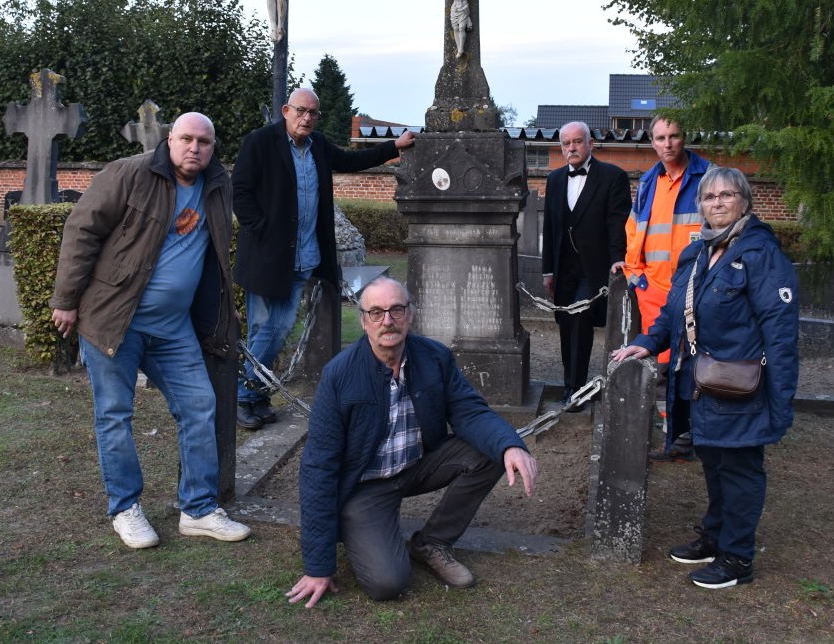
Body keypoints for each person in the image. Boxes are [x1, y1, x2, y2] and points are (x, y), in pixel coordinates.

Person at [50, 112, 251, 549]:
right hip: (114, 320)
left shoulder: (217, 185)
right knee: (115, 415)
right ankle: (126, 508)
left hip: (173, 329)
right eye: (186, 139)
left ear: (213, 146)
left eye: (204, 141)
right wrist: (65, 301)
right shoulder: (129, 173)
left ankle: (197, 509)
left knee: (200, 406)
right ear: (170, 139)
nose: (194, 147)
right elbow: (81, 230)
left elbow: (215, 254)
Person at [286, 277, 538, 607]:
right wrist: (318, 566)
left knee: (491, 451)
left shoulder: (434, 357)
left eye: (396, 309)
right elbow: (318, 466)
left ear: (411, 314)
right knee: (387, 583)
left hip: (418, 464)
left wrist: (511, 445)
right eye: (376, 312)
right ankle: (359, 527)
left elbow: (468, 410)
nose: (387, 321)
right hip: (366, 485)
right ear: (363, 321)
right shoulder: (339, 375)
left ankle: (432, 543)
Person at [611, 167, 798, 589]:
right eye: (709, 196)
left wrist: (780, 402)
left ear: (745, 201)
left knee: (740, 471)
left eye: (726, 195)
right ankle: (715, 537)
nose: (716, 203)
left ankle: (737, 559)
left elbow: (781, 334)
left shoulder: (760, 254)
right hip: (701, 385)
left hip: (743, 388)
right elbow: (672, 314)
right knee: (713, 464)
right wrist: (646, 341)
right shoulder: (695, 254)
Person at [232, 88, 415, 430]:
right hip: (267, 258)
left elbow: (351, 160)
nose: (307, 118)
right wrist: (261, 229)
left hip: (303, 256)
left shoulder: (317, 147)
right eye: (301, 111)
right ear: (286, 110)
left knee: (275, 328)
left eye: (313, 113)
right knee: (267, 328)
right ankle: (246, 396)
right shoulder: (260, 142)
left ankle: (252, 395)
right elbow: (239, 190)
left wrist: (393, 147)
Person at [618, 113, 711, 461]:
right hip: (654, 291)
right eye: (660, 138)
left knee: (694, 367)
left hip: (696, 290)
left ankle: (694, 436)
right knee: (660, 369)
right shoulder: (647, 182)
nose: (667, 144)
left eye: (673, 136)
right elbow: (633, 230)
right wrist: (633, 275)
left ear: (683, 137)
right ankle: (672, 436)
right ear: (652, 142)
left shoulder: (707, 177)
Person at [542, 121, 631, 410]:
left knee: (580, 319)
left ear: (590, 143)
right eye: (566, 144)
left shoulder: (612, 177)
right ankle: (571, 382)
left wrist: (619, 259)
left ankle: (575, 390)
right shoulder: (555, 179)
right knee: (566, 324)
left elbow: (618, 224)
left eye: (577, 142)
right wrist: (548, 270)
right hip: (563, 268)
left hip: (594, 268)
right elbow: (551, 226)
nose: (572, 148)